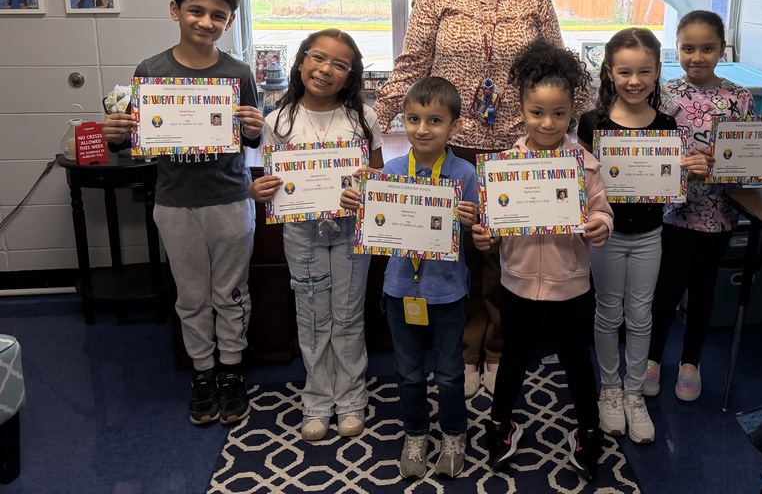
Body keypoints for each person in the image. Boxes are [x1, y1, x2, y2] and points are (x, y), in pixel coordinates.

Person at [374, 0, 577, 398]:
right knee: (455, 249)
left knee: (503, 258)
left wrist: (579, 131)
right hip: (453, 146)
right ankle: (463, 353)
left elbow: (553, 67)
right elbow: (412, 61)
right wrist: (372, 125)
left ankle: (498, 352)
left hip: (517, 147)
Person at [101, 0, 264, 426]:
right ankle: (203, 372)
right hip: (175, 203)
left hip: (230, 200)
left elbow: (249, 137)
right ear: (176, 10)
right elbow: (134, 141)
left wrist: (254, 129)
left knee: (231, 293)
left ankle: (231, 372)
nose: (206, 22)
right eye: (196, 10)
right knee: (191, 296)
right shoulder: (150, 71)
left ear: (229, 21)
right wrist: (115, 134)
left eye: (218, 14)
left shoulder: (238, 72)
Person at [473, 39, 613, 482]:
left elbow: (602, 209)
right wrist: (483, 236)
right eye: (537, 112)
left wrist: (600, 226)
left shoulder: (585, 164)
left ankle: (589, 429)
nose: (548, 122)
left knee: (576, 361)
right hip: (517, 286)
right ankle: (499, 425)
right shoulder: (504, 167)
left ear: (573, 109)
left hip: (571, 286)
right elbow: (489, 224)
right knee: (513, 358)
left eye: (558, 113)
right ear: (521, 108)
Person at [646, 10, 762, 403]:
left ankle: (690, 363)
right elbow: (651, 149)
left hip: (716, 212)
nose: (697, 57)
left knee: (702, 290)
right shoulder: (662, 93)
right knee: (664, 290)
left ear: (721, 48)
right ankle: (650, 360)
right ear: (676, 49)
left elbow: (752, 153)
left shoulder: (739, 97)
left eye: (707, 48)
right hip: (670, 211)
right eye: (688, 48)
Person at [249, 29, 384, 442]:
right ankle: (317, 399)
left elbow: (378, 176)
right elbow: (271, 181)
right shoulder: (278, 120)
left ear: (350, 75)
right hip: (302, 232)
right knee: (310, 315)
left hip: (350, 230)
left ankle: (351, 396)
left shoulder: (364, 117)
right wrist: (258, 192)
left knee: (347, 313)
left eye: (340, 64)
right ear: (302, 61)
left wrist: (368, 183)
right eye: (318, 57)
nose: (326, 69)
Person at [342, 77, 479, 479]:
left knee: (451, 373)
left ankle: (455, 434)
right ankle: (416, 433)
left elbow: (478, 232)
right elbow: (376, 225)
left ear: (453, 126)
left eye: (435, 120)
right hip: (400, 290)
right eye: (414, 118)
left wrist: (471, 221)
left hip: (448, 292)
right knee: (409, 373)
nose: (422, 129)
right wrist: (356, 201)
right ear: (402, 120)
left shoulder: (465, 173)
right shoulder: (390, 172)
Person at [577, 27, 687, 445]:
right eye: (624, 72)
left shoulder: (667, 125)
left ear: (658, 72)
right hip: (606, 235)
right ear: (608, 72)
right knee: (607, 311)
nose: (634, 80)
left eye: (644, 71)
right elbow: (582, 182)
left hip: (650, 234)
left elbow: (672, 183)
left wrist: (687, 169)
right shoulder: (593, 123)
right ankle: (609, 390)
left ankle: (633, 392)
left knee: (641, 314)